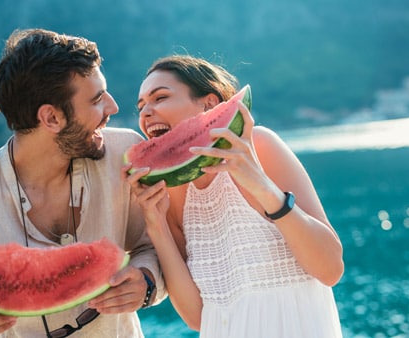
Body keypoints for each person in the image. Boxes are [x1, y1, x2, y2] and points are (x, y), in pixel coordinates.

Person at [0, 28, 165, 338]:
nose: (113, 108)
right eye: (97, 99)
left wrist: (146, 281)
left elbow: (153, 245)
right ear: (51, 118)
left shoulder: (123, 155)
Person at [125, 55, 344, 337]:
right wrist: (156, 224)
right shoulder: (172, 193)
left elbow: (330, 269)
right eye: (141, 106)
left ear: (210, 104)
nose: (145, 112)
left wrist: (262, 186)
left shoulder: (261, 147)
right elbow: (197, 317)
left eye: (160, 98)